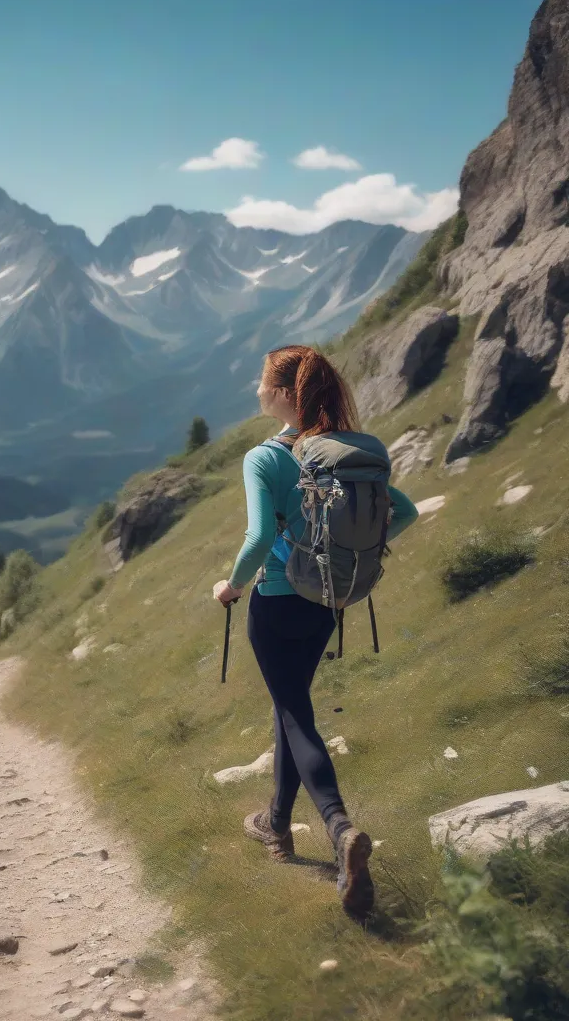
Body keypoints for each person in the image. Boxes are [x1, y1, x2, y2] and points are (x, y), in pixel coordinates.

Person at [212, 344, 418, 919]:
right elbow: (404, 513)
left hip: (276, 602)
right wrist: (355, 555)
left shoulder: (266, 458)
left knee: (295, 714)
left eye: (263, 380)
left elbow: (256, 541)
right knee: (290, 707)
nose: (257, 388)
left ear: (283, 394)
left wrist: (229, 587)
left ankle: (339, 826)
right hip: (327, 601)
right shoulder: (344, 453)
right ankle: (276, 826)